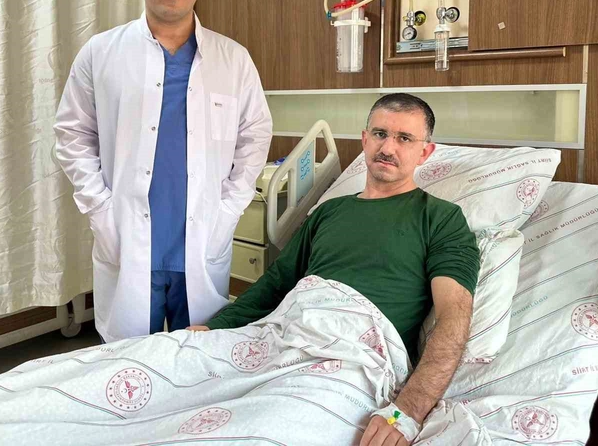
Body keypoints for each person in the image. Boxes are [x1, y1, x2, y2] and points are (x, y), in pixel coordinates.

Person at [189, 93, 480, 446]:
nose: (388, 147)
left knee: (249, 433)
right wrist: (214, 329)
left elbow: (453, 316)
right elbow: (276, 284)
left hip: (351, 361)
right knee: (164, 367)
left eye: (404, 138)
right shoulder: (329, 211)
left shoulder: (441, 218)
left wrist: (407, 411)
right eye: (380, 134)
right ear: (364, 139)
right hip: (281, 338)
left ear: (425, 152)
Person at [54, 0, 272, 342]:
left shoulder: (233, 60)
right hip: (126, 236)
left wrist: (229, 210)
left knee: (199, 356)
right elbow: (73, 134)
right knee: (130, 363)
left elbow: (254, 136)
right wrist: (99, 208)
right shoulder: (100, 53)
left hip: (202, 237)